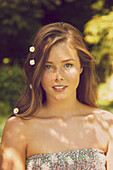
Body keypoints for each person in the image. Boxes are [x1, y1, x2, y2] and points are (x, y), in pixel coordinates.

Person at [0, 22, 113, 170]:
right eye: (48, 66)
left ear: (81, 67)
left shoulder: (106, 124)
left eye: (68, 65)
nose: (58, 76)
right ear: (37, 71)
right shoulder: (18, 128)